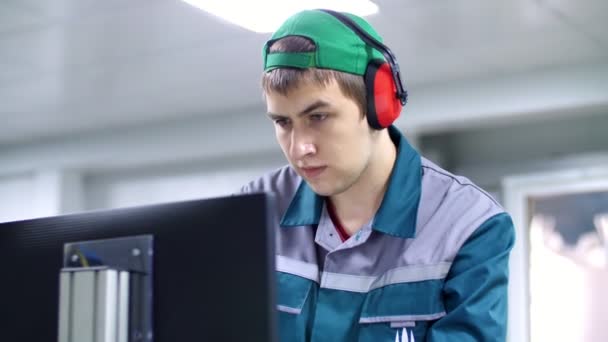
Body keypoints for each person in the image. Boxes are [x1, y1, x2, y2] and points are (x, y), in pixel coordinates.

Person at [240, 8, 515, 342]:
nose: (300, 148)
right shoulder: (252, 211)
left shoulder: (468, 226)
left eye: (318, 117)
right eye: (283, 123)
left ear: (379, 104)